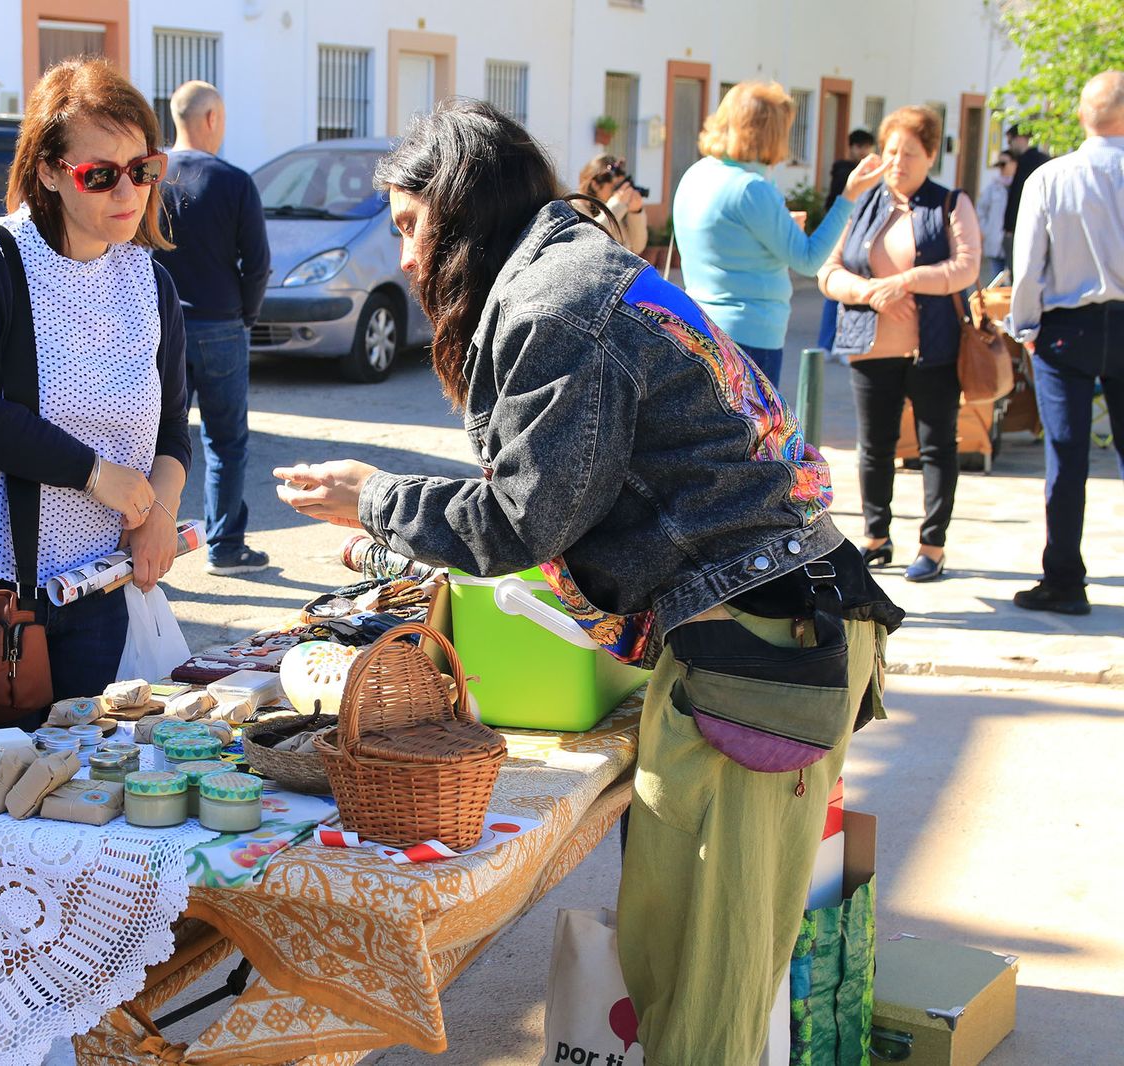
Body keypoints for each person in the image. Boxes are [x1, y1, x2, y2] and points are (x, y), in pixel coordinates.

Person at [273, 99, 901, 1065]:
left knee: (705, 971)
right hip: (759, 630)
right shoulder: (569, 267)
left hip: (763, 645)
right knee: (672, 946)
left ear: (461, 210)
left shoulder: (557, 301)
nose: (403, 257)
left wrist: (375, 499)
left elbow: (521, 519)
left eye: (409, 226)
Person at [0, 57, 193, 745]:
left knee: (86, 799)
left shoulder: (148, 283)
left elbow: (171, 431)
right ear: (46, 170)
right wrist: (96, 474)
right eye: (100, 175)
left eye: (143, 168)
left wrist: (160, 509)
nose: (127, 191)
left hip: (96, 590)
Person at [818, 105, 982, 583]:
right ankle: (875, 537)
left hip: (934, 349)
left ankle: (932, 544)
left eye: (910, 152)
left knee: (935, 447)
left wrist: (905, 282)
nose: (898, 161)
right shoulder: (862, 203)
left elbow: (966, 267)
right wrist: (872, 292)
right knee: (874, 447)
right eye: (891, 151)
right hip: (870, 345)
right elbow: (828, 272)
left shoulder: (950, 203)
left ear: (931, 155)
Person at [672, 82, 885, 384]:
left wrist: (780, 226)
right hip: (750, 337)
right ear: (769, 133)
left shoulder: (698, 173)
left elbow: (730, 240)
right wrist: (849, 195)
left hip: (700, 327)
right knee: (755, 431)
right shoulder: (750, 188)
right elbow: (809, 261)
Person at [1008, 71, 1124, 616]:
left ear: (1082, 115)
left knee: (1067, 456)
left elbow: (1028, 267)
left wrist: (1024, 328)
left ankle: (1064, 581)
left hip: (1066, 329)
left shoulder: (1051, 178)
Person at [156, 80, 273, 576]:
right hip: (221, 324)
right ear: (210, 119)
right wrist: (245, 315)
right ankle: (225, 545)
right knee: (225, 441)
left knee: (156, 439)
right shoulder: (234, 181)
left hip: (163, 327)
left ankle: (144, 543)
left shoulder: (149, 174)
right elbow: (258, 262)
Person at [819, 129, 877, 352]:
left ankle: (837, 343)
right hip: (841, 230)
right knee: (834, 288)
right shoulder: (844, 171)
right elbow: (835, 203)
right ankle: (828, 344)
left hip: (859, 231)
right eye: (859, 146)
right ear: (851, 147)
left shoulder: (869, 172)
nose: (863, 151)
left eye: (867, 146)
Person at [1002, 124, 1051, 277]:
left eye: (1011, 142)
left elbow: (1017, 198)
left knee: (1018, 274)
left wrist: (1009, 227)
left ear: (1021, 138)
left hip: (1022, 227)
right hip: (1039, 226)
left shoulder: (1027, 162)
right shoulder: (1043, 160)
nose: (1010, 146)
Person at [575, 153, 648, 254]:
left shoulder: (616, 208)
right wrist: (616, 206)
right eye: (615, 186)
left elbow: (637, 247)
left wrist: (636, 212)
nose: (618, 192)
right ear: (595, 184)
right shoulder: (575, 207)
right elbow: (590, 237)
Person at [978, 150, 1015, 284]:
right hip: (995, 242)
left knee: (1011, 283)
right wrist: (986, 230)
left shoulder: (1018, 187)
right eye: (999, 164)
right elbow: (981, 210)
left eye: (1004, 163)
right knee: (996, 282)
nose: (1001, 168)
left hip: (1012, 243)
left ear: (1014, 164)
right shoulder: (993, 187)